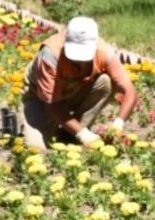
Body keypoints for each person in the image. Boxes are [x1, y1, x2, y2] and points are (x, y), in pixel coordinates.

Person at [21, 15, 137, 150]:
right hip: (40, 98)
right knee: (35, 147)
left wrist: (118, 124)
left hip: (74, 92)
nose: (80, 62)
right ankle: (72, 130)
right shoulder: (51, 54)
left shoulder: (104, 52)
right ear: (66, 41)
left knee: (105, 82)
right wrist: (83, 134)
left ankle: (70, 133)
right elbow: (52, 103)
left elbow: (130, 91)